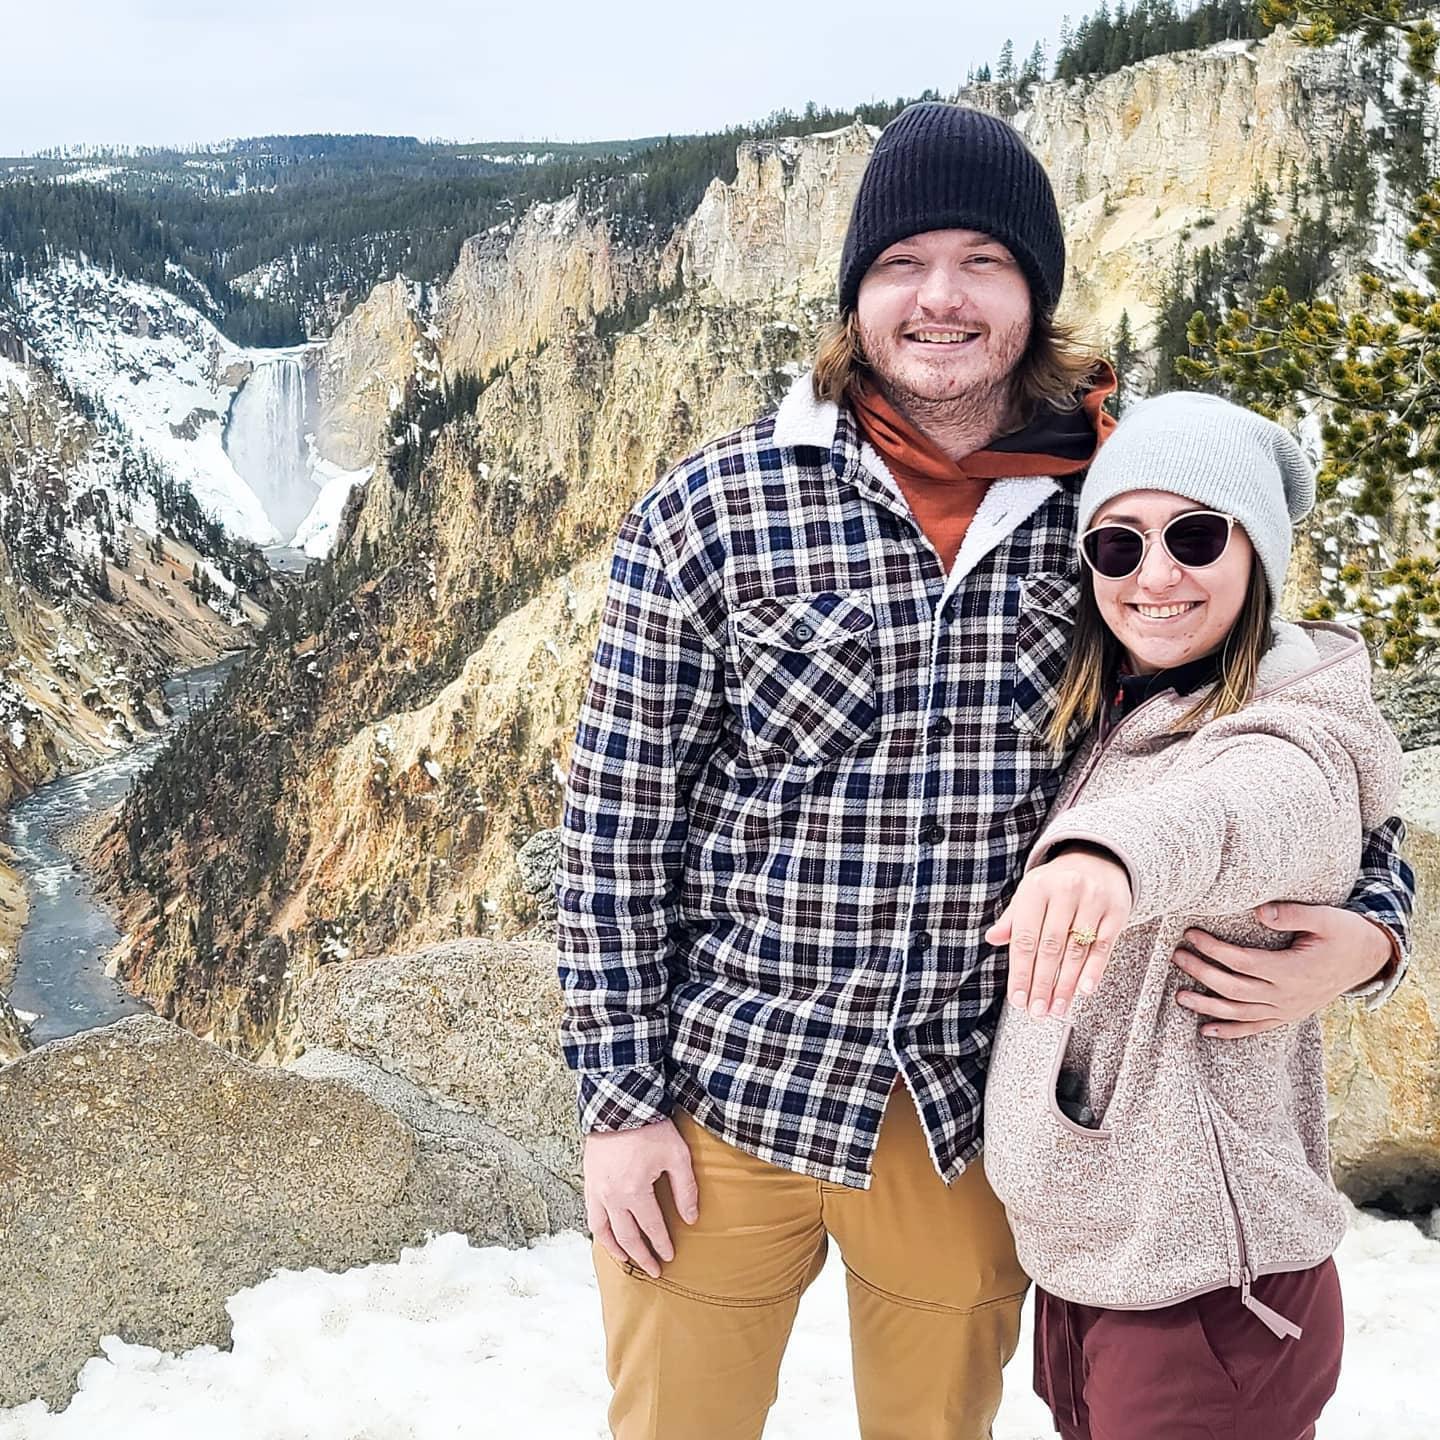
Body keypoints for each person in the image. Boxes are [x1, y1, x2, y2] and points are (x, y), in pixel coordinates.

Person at [555, 102, 1415, 1440]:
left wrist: (1372, 932)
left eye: (983, 261)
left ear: (1035, 288)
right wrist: (620, 1104)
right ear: (856, 292)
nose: (939, 297)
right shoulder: (714, 507)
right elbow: (616, 825)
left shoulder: (1120, 511)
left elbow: (1280, 737)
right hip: (727, 1089)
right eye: (901, 262)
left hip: (966, 1106)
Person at [983, 391, 1402, 1440]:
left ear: (1257, 554)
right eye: (1118, 546)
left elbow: (1249, 809)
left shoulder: (1289, 726)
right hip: (1104, 1263)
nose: (1155, 574)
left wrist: (1103, 856)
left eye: (1197, 536)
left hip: (1212, 1292)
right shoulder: (1129, 706)